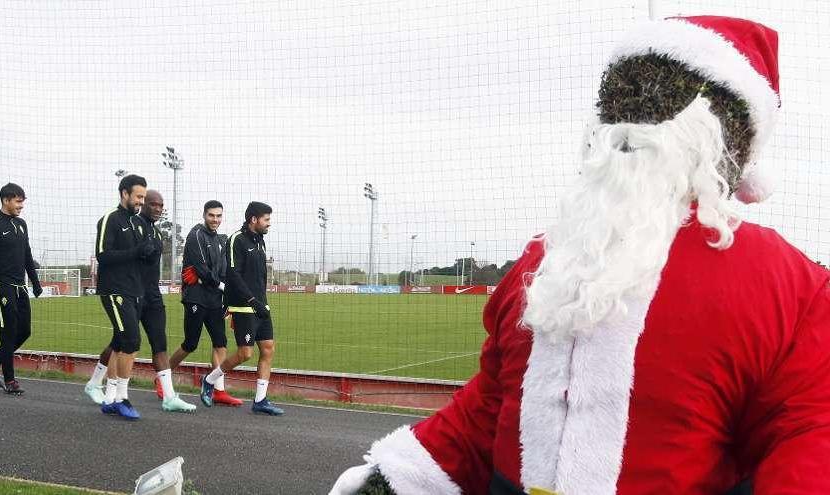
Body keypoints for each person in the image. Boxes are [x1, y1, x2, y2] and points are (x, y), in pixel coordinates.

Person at [331, 16, 830, 495]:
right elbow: (491, 405)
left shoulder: (791, 287)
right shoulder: (545, 259)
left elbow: (809, 438)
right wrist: (398, 477)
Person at [84, 190, 195, 413]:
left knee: (159, 342)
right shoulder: (130, 225)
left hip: (151, 294)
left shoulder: (156, 233)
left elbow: (151, 260)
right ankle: (103, 388)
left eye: (161, 205)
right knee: (121, 342)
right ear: (142, 204)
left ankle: (169, 396)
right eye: (153, 204)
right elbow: (115, 255)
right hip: (130, 292)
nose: (158, 208)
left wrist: (153, 253)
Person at [200, 201, 283, 415]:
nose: (269, 224)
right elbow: (234, 275)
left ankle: (260, 400)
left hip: (261, 305)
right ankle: (209, 380)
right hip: (243, 306)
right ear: (253, 219)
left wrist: (262, 301)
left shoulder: (260, 242)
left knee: (268, 349)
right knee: (245, 354)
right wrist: (252, 301)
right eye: (266, 219)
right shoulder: (237, 239)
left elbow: (260, 277)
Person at [93, 174, 156, 420]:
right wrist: (136, 251)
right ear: (124, 194)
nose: (142, 201)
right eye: (138, 196)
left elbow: (141, 257)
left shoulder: (139, 223)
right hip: (114, 290)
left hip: (135, 290)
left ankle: (109, 399)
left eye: (143, 197)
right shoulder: (110, 219)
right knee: (131, 340)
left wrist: (149, 253)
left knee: (120, 342)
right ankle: (122, 398)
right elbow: (103, 255)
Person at [167, 200, 242, 406]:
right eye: (211, 215)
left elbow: (223, 271)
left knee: (221, 343)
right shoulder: (196, 235)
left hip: (215, 299)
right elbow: (200, 268)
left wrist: (226, 292)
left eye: (218, 216)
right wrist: (221, 286)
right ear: (204, 215)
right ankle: (162, 377)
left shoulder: (221, 240)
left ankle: (218, 389)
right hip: (196, 297)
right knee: (190, 344)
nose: (215, 220)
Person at [0, 183, 43, 395]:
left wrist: (35, 281)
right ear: (6, 200)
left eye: (22, 201)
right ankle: (11, 381)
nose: (21, 205)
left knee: (25, 331)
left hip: (20, 287)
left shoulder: (22, 225)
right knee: (7, 335)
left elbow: (26, 254)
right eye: (18, 201)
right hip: (1, 287)